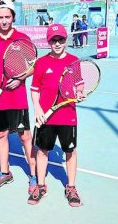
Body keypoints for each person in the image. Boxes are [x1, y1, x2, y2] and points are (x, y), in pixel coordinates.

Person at [0, 0, 37, 194]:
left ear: (13, 17)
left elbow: (33, 65)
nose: (4, 21)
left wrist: (21, 79)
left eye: (7, 17)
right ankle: (5, 173)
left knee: (25, 137)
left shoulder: (22, 40)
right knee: (1, 134)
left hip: (17, 98)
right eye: (0, 17)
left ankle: (34, 176)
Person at [28, 23, 84, 207]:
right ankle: (41, 185)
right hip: (45, 117)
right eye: (54, 40)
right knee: (42, 151)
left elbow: (79, 85)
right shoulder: (41, 63)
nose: (57, 43)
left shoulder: (74, 61)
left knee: (70, 151)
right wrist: (37, 109)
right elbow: (35, 89)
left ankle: (71, 187)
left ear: (66, 40)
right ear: (49, 42)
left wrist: (80, 93)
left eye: (60, 39)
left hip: (67, 115)